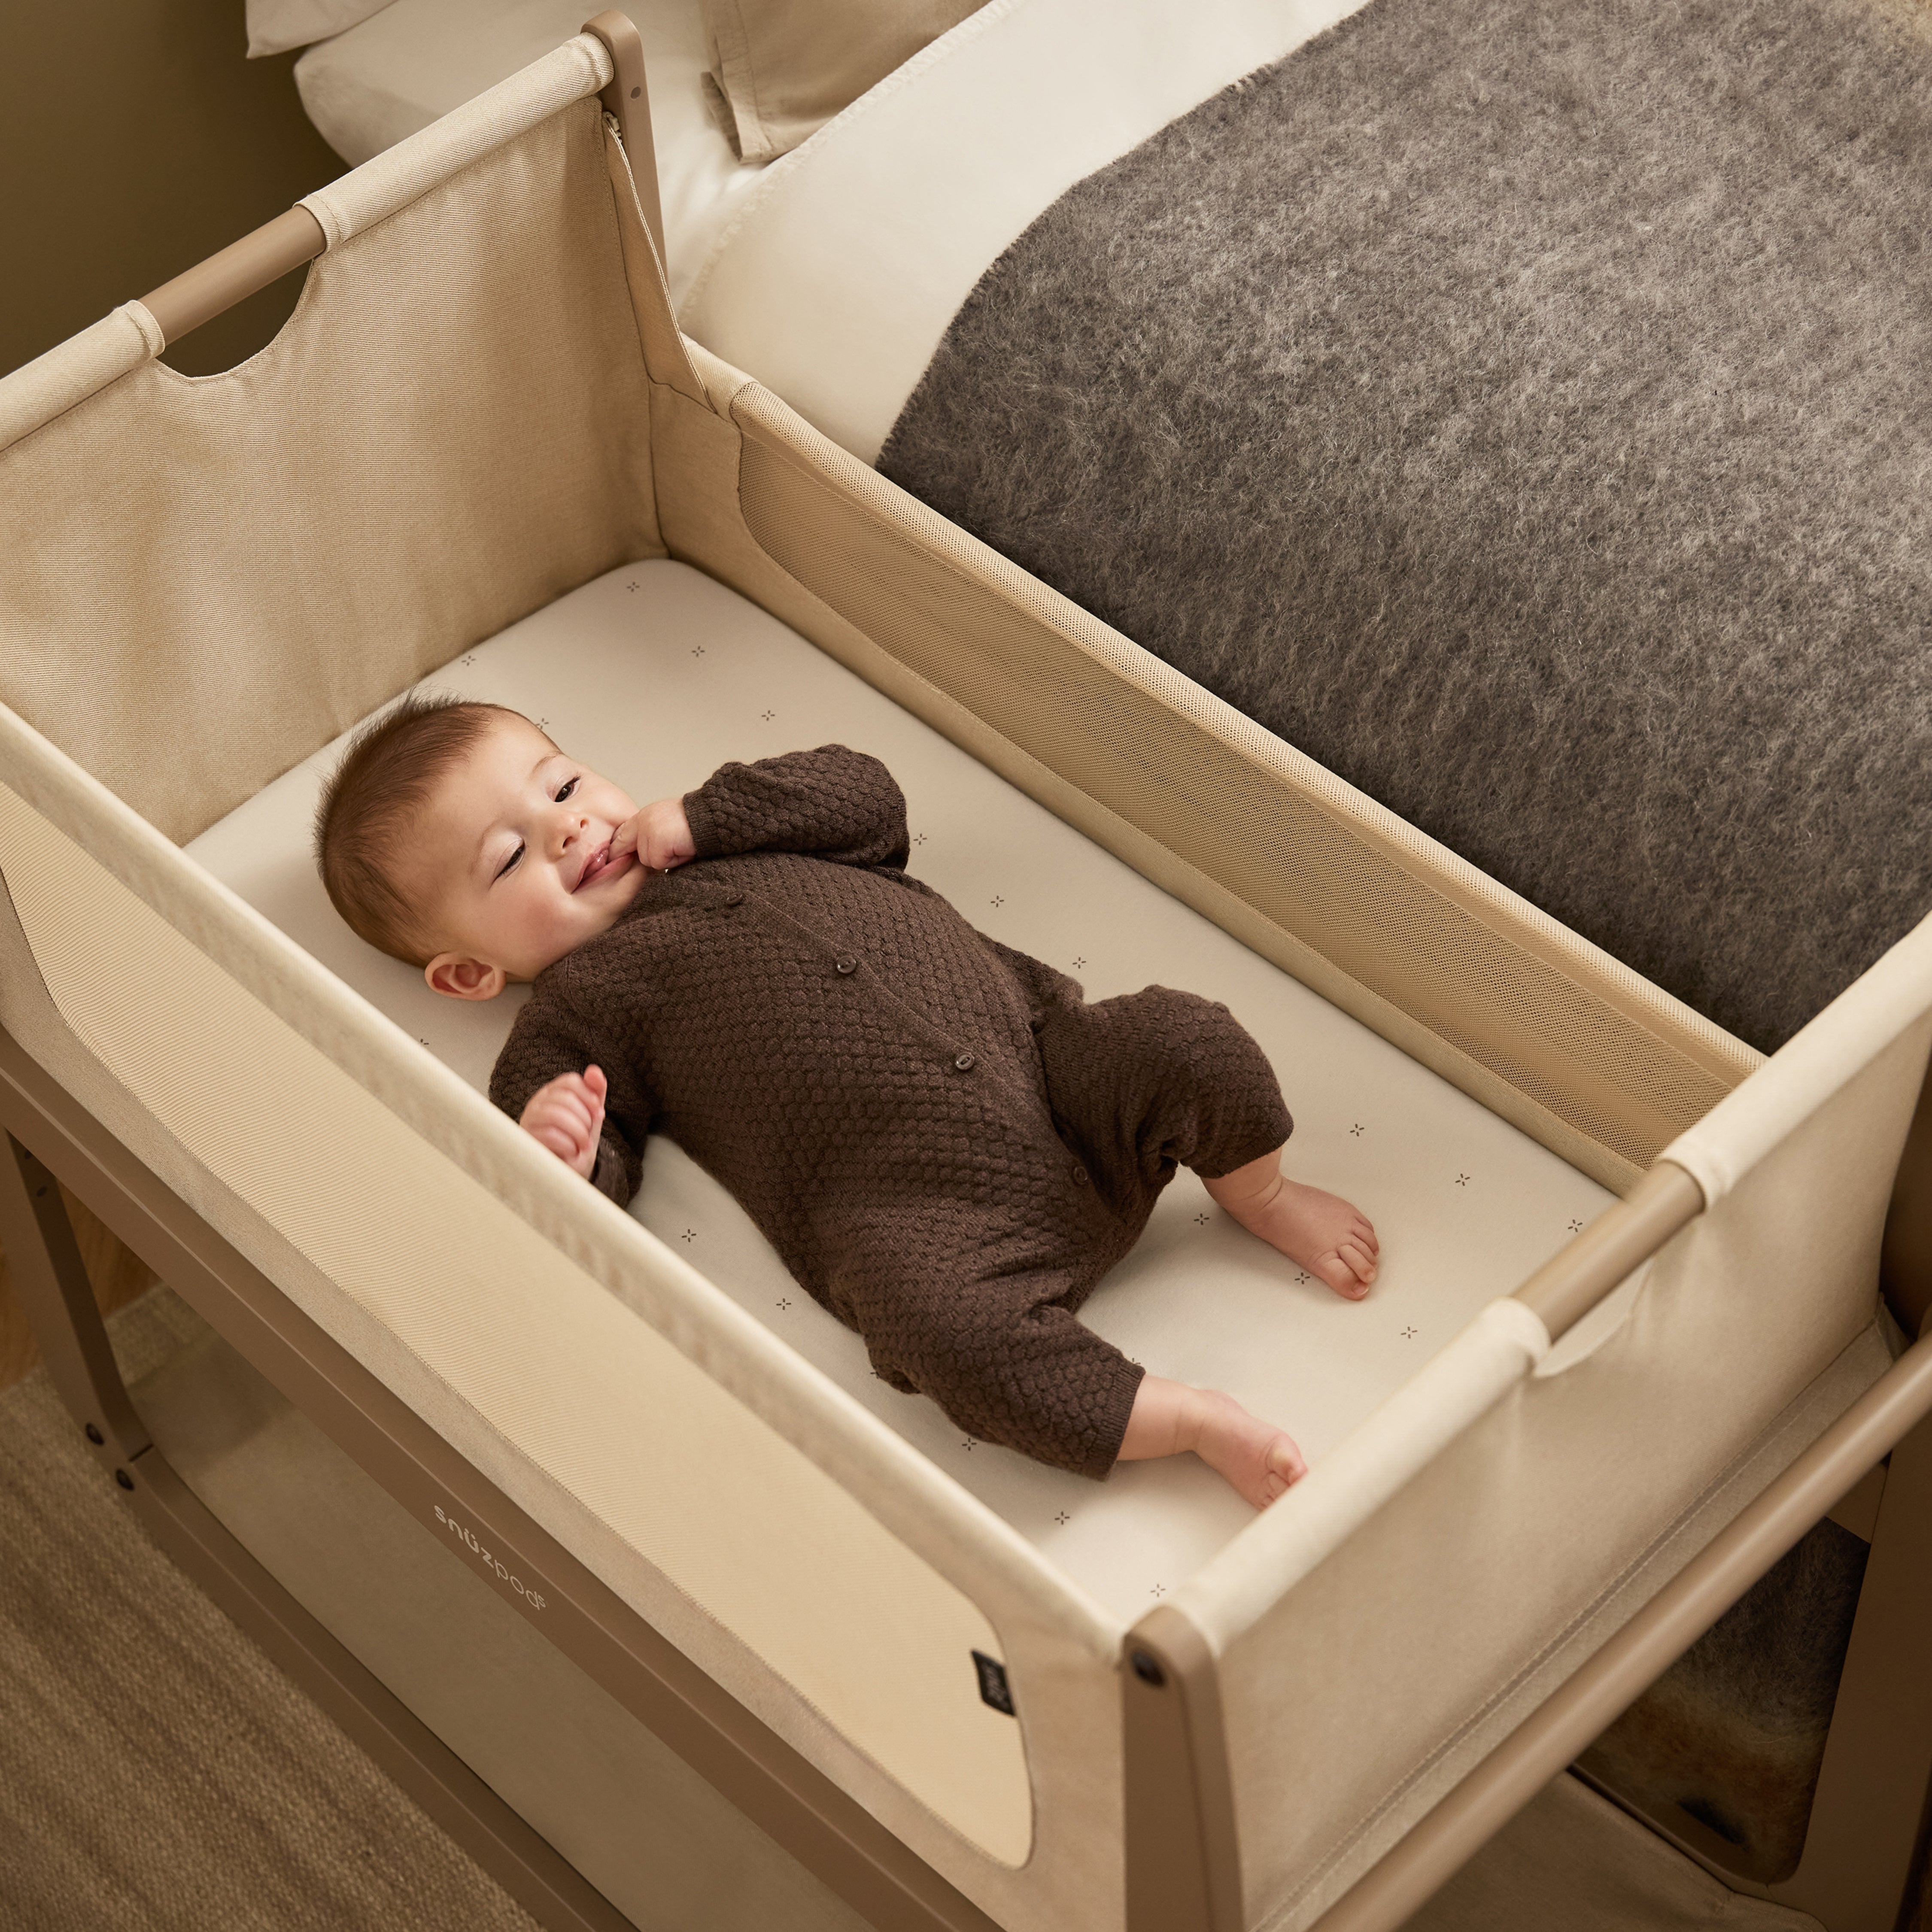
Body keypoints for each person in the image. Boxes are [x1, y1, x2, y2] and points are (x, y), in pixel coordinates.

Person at [315, 696, 1379, 1506]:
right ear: (470, 974)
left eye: (562, 787)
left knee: (1185, 1040)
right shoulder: (577, 1008)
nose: (566, 830)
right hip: (929, 1221)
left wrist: (709, 814)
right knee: (939, 1335)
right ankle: (1182, 1419)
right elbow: (575, 1173)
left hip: (1065, 1073)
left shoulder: (728, 827)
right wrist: (561, 1145)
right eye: (510, 857)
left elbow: (868, 798)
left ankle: (1262, 1192)